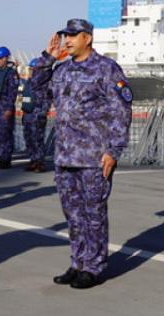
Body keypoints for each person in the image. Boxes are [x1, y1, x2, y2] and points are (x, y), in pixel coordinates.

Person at [48, 19, 132, 290]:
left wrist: (114, 150)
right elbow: (37, 89)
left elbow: (121, 110)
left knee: (93, 212)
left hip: (94, 157)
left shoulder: (106, 69)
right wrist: (45, 58)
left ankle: (94, 267)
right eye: (65, 36)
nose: (67, 40)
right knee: (72, 214)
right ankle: (78, 263)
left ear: (87, 38)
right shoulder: (60, 70)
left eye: (73, 36)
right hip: (65, 155)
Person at [22, 45, 58, 172]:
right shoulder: (28, 82)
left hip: (38, 114)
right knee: (29, 138)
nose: (31, 71)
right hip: (28, 114)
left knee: (37, 138)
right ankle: (33, 160)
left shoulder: (43, 83)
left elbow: (49, 97)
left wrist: (44, 111)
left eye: (33, 69)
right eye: (30, 69)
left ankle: (39, 162)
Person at [0, 46, 19, 169]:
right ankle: (1, 157)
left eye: (0, 58)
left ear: (6, 58)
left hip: (5, 107)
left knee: (6, 134)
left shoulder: (11, 73)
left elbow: (13, 91)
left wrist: (9, 108)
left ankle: (6, 159)